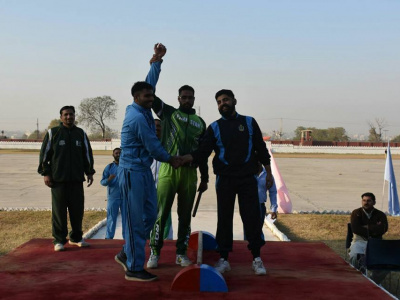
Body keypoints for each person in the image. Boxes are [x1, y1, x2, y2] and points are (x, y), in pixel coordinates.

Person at [181, 89, 273, 276]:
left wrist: (269, 173)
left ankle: (256, 258)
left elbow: (260, 148)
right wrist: (186, 159)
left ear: (234, 101)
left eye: (226, 100)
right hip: (225, 180)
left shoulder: (248, 122)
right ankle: (224, 259)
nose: (223, 103)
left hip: (248, 179)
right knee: (224, 219)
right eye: (219, 101)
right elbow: (203, 151)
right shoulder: (214, 127)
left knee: (252, 219)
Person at [145, 43, 209, 269]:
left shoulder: (201, 123)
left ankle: (181, 253)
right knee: (160, 214)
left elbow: (203, 153)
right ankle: (154, 252)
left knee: (184, 217)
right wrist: (157, 61)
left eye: (190, 97)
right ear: (179, 98)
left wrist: (205, 178)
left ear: (194, 99)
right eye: (184, 97)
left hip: (189, 175)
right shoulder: (169, 113)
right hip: (167, 171)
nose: (187, 100)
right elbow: (149, 94)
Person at [114, 81, 180, 282]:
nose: (151, 99)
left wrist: (157, 63)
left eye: (152, 95)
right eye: (147, 96)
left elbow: (148, 84)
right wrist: (172, 159)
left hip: (143, 172)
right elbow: (153, 146)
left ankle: (127, 251)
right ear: (136, 98)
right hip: (131, 172)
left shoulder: (141, 108)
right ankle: (133, 268)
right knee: (134, 221)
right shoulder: (136, 118)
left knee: (151, 215)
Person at [38, 105, 95, 252]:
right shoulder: (53, 133)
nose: (69, 117)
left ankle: (76, 238)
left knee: (77, 211)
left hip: (76, 180)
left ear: (75, 116)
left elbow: (87, 154)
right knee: (59, 212)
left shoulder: (80, 134)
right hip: (58, 181)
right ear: (61, 117)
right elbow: (44, 155)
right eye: (66, 115)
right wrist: (46, 173)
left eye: (71, 114)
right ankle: (59, 240)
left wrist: (89, 172)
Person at [349, 192, 388, 283]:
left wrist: (367, 227)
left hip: (376, 242)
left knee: (386, 262)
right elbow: (356, 229)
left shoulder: (380, 215)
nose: (366, 203)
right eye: (364, 200)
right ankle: (357, 279)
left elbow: (383, 229)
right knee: (355, 256)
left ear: (374, 202)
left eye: (369, 201)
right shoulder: (356, 213)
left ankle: (373, 281)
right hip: (359, 241)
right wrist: (375, 227)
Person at [151, 119, 173, 240]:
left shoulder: (169, 145)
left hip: (164, 187)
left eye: (159, 126)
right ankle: (148, 243)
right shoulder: (146, 144)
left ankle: (167, 242)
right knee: (149, 218)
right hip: (148, 188)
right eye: (154, 126)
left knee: (165, 217)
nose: (157, 128)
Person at [244, 162, 277, 241]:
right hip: (248, 206)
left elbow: (272, 192)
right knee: (248, 230)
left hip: (260, 206)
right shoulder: (247, 173)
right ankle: (246, 248)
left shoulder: (268, 175)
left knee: (258, 229)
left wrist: (273, 209)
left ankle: (258, 248)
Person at [100, 147, 125, 239]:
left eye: (120, 153)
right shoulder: (109, 167)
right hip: (113, 197)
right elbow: (102, 182)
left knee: (126, 220)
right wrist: (109, 179)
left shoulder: (126, 166)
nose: (118, 155)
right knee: (111, 218)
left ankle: (126, 238)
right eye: (116, 153)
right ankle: (109, 238)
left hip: (125, 197)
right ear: (113, 155)